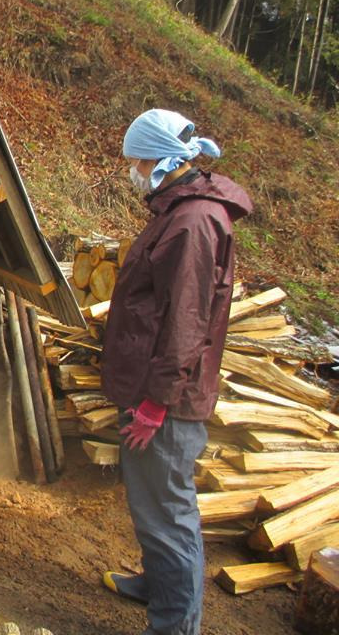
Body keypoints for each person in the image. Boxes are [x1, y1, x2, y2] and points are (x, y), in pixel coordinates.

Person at [100, 109, 252, 635]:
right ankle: (156, 584)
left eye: (137, 161)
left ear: (163, 159)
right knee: (151, 503)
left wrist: (156, 402)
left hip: (165, 399)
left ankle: (176, 625)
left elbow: (187, 322)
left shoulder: (193, 221)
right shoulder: (177, 208)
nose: (132, 170)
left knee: (168, 512)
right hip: (150, 385)